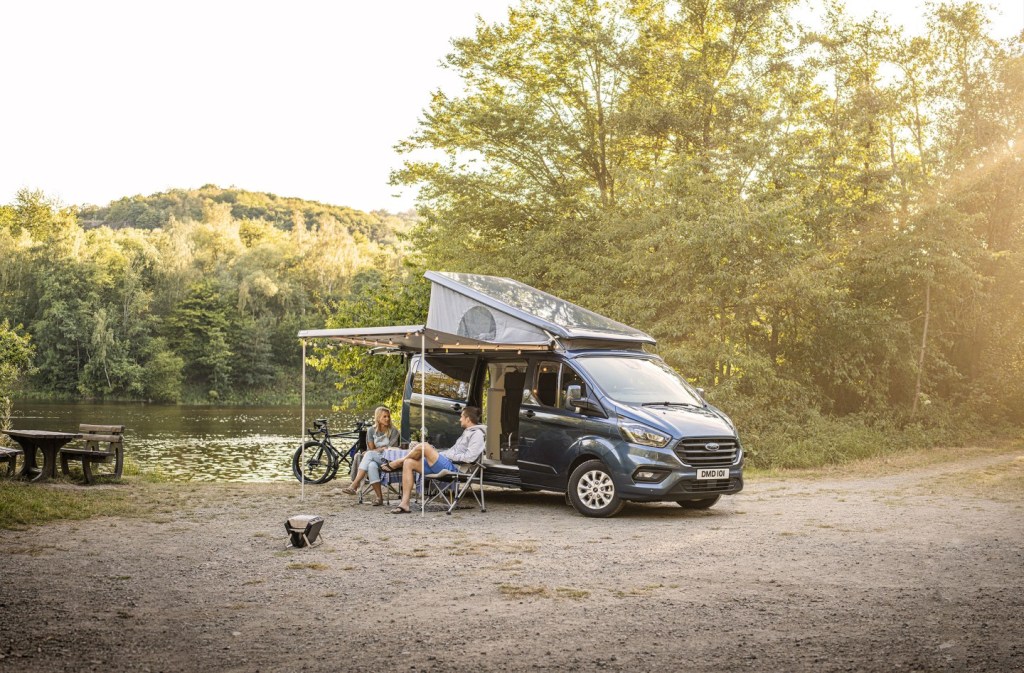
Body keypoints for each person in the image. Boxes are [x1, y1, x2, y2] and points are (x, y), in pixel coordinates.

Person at [385, 406, 486, 514]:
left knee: (424, 446)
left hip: (456, 468)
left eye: (461, 416)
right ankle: (404, 504)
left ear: (468, 419)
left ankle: (397, 463)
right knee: (408, 462)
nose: (459, 419)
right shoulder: (467, 432)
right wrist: (440, 453)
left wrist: (449, 455)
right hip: (446, 463)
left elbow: (470, 458)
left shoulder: (477, 434)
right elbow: (453, 451)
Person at [342, 405, 400, 505]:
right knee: (371, 465)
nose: (387, 419)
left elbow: (390, 449)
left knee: (369, 454)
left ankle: (354, 485)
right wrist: (380, 449)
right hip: (376, 458)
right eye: (384, 417)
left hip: (389, 460)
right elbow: (372, 449)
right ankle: (379, 498)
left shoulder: (394, 431)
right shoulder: (371, 431)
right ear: (378, 418)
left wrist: (379, 450)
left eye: (388, 416)